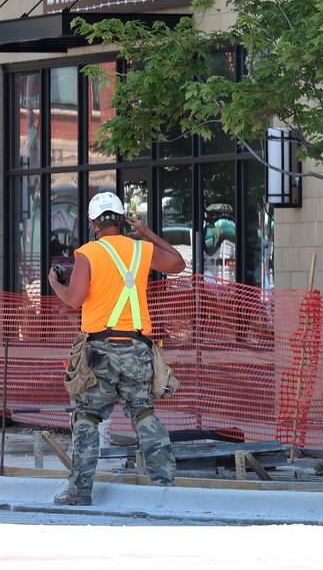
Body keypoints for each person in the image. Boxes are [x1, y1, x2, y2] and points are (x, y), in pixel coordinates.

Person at [48, 192, 187, 506]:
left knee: (87, 418)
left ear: (94, 222)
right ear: (123, 219)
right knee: (144, 414)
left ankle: (79, 492)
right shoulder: (141, 249)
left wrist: (55, 282)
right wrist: (147, 232)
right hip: (137, 349)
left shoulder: (88, 253)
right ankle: (166, 486)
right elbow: (178, 263)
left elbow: (74, 299)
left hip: (99, 350)